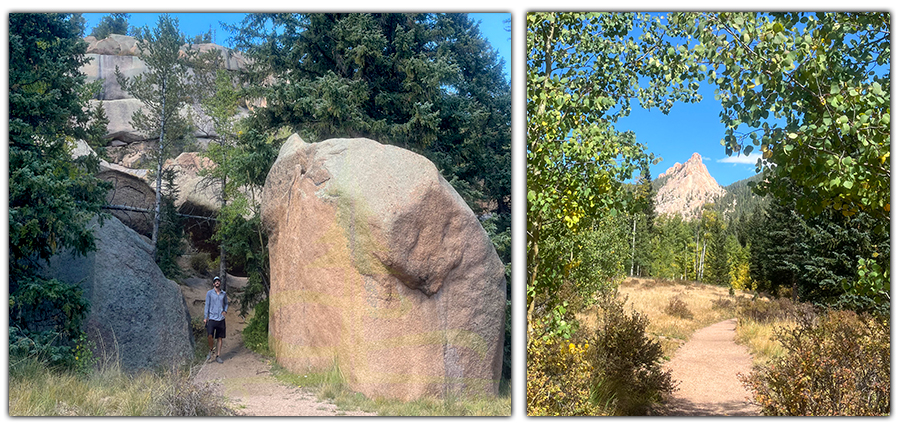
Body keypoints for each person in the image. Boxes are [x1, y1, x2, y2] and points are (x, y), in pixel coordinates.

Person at [204, 276, 228, 364]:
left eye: (218, 281)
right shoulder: (209, 293)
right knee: (209, 336)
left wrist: (225, 310)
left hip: (221, 319)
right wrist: (205, 317)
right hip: (212, 318)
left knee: (220, 338)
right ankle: (211, 350)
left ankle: (218, 355)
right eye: (215, 281)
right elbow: (207, 305)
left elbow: (226, 303)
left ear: (220, 283)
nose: (217, 282)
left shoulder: (223, 294)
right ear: (213, 283)